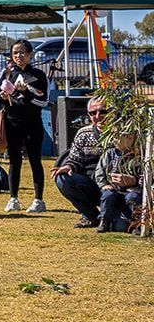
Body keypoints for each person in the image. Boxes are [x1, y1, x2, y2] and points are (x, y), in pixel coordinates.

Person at [0, 40, 50, 213]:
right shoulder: (7, 73)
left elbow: (42, 101)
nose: (19, 56)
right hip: (12, 123)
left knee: (35, 160)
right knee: (14, 161)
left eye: (22, 52)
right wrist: (4, 98)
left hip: (32, 123)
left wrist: (24, 92)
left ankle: (39, 200)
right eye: (15, 53)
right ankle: (13, 198)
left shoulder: (38, 75)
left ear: (30, 55)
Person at [51, 95, 106, 227]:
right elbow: (75, 159)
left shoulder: (122, 134)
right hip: (91, 184)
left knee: (120, 225)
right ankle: (90, 215)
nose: (98, 116)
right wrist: (69, 166)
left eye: (103, 111)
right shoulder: (83, 133)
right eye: (93, 113)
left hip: (115, 186)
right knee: (62, 179)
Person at [94, 130, 144, 233]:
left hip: (131, 191)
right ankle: (104, 221)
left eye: (117, 137)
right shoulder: (109, 154)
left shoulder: (139, 156)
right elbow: (99, 172)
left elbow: (145, 177)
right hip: (114, 190)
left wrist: (135, 182)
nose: (113, 139)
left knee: (133, 197)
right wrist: (104, 185)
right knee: (108, 195)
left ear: (130, 138)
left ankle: (136, 224)